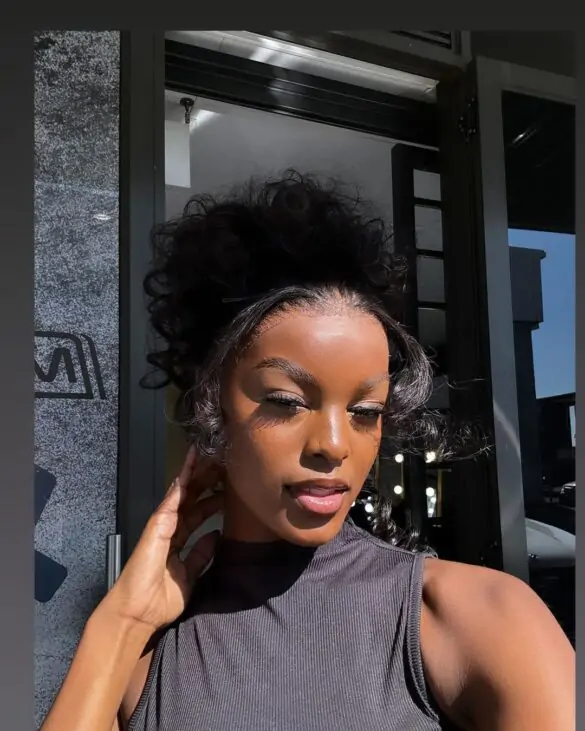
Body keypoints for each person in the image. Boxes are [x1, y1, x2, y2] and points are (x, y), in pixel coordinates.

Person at [41, 172, 575, 731]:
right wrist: (120, 624)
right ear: (211, 402)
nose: (334, 446)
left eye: (365, 411)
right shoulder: (142, 654)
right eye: (287, 402)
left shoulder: (479, 620)